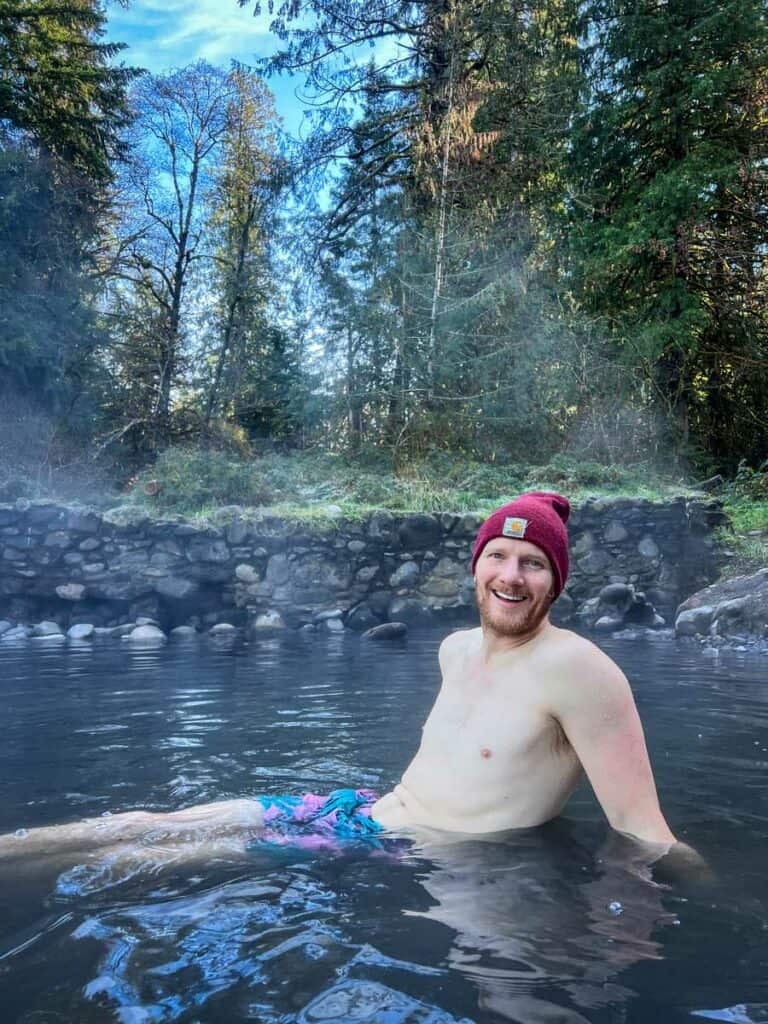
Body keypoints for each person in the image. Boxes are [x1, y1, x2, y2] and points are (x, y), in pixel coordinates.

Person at [0, 491, 692, 870]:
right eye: (499, 556)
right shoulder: (455, 649)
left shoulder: (581, 670)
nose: (511, 576)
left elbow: (643, 829)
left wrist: (721, 898)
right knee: (148, 824)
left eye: (533, 563)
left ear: (557, 581)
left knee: (148, 862)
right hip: (355, 807)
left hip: (398, 846)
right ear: (476, 565)